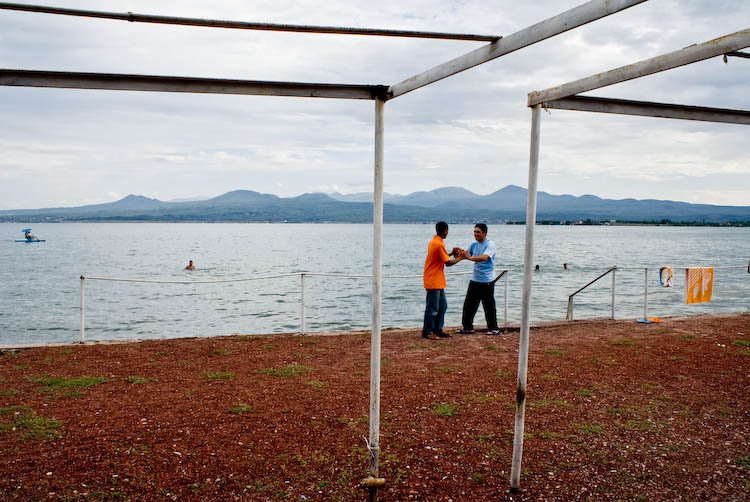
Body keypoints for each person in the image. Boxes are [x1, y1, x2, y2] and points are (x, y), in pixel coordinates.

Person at [422, 221, 463, 340]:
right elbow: (448, 263)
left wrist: (451, 253)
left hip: (437, 280)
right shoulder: (438, 244)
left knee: (442, 306)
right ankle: (428, 331)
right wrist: (461, 257)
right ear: (445, 231)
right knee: (433, 308)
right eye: (447, 231)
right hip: (433, 280)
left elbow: (441, 257)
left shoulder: (435, 242)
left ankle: (438, 329)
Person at [457, 223, 500, 335]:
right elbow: (465, 254)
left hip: (487, 281)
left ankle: (493, 328)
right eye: (474, 232)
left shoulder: (490, 244)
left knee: (489, 306)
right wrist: (459, 252)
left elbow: (484, 258)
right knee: (469, 305)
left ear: (484, 233)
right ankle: (467, 327)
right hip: (475, 280)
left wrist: (469, 257)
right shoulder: (473, 244)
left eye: (478, 232)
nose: (475, 234)